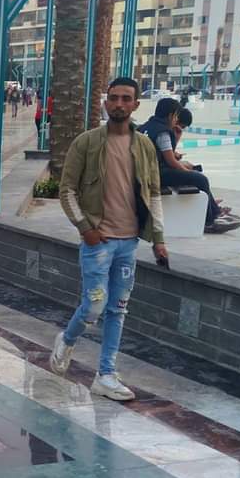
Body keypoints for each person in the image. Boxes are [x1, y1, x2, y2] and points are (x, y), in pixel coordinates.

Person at [50, 77, 169, 402]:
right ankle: (67, 338)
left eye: (126, 98)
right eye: (114, 98)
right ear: (106, 102)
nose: (118, 104)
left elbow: (154, 193)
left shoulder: (144, 146)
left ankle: (106, 374)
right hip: (98, 243)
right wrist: (85, 228)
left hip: (129, 243)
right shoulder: (86, 143)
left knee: (118, 309)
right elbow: (67, 190)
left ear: (136, 104)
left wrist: (158, 239)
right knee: (94, 306)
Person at [138, 98, 240, 234]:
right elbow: (171, 161)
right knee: (200, 179)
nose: (176, 120)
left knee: (194, 174)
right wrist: (186, 170)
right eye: (176, 116)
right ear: (171, 115)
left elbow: (162, 153)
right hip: (156, 175)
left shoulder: (144, 127)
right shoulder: (163, 132)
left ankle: (212, 207)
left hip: (145, 174)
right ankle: (211, 220)